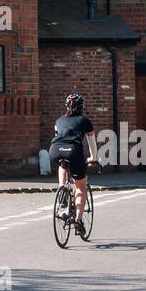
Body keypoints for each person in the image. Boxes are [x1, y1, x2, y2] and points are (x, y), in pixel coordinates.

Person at [50, 93, 95, 235]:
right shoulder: (85, 121)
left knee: (62, 164)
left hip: (55, 151)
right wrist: (93, 158)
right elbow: (92, 144)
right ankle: (78, 220)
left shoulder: (58, 120)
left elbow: (58, 137)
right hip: (74, 152)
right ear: (82, 107)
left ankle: (62, 189)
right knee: (81, 188)